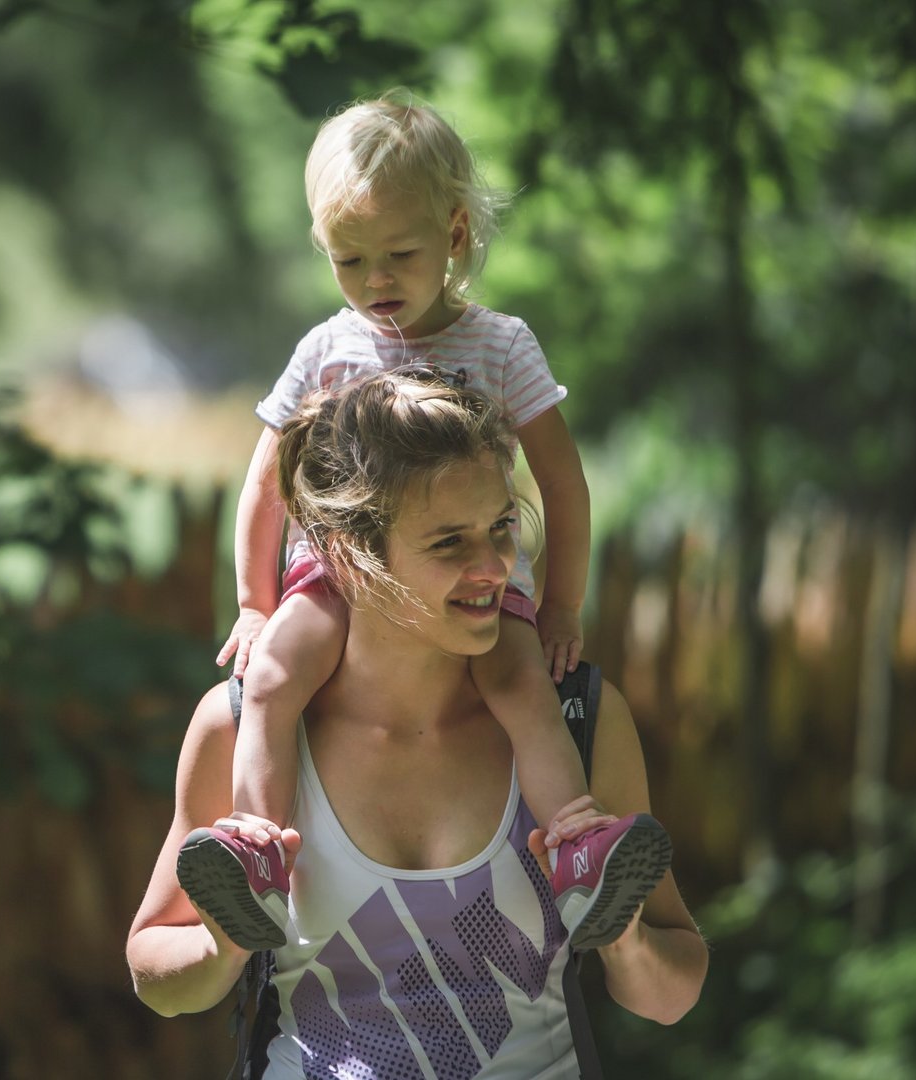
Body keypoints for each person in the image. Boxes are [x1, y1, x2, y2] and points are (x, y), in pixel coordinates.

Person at [128, 371, 705, 1076]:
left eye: (501, 529)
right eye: (448, 543)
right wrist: (222, 949)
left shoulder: (577, 719)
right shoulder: (240, 724)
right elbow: (154, 973)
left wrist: (627, 942)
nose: (495, 567)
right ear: (346, 553)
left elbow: (672, 996)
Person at [200, 89, 652, 951]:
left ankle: (579, 852)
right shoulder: (326, 350)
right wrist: (256, 602)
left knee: (524, 688)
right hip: (336, 577)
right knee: (269, 681)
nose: (375, 282)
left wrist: (558, 605)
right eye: (347, 260)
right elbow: (265, 485)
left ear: (452, 235)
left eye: (399, 254)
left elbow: (562, 481)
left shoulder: (500, 346)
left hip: (474, 582)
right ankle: (255, 859)